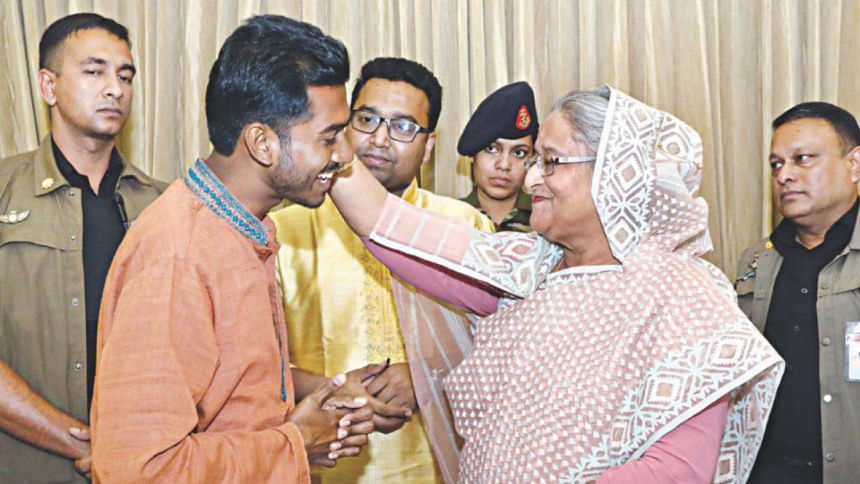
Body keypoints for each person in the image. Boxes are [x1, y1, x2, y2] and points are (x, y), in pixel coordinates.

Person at [328, 86, 784, 482]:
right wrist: (325, 139)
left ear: (612, 173)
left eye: (550, 162)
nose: (530, 180)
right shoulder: (529, 267)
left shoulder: (683, 297)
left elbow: (676, 471)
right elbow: (391, 227)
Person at [89, 16, 403, 481]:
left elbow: (230, 393)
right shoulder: (179, 256)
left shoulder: (237, 227)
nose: (344, 155)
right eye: (329, 137)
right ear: (262, 143)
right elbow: (139, 470)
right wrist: (296, 444)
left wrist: (321, 397)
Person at [272, 57, 493, 484]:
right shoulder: (286, 231)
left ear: (429, 145)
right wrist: (331, 387)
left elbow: (503, 353)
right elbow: (255, 370)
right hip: (323, 467)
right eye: (366, 120)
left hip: (440, 468)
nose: (379, 139)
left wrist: (428, 375)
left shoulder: (465, 227)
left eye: (403, 126)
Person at [0, 13, 166, 482]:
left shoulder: (165, 206)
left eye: (125, 76)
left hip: (144, 466)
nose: (115, 89)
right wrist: (81, 443)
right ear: (48, 85)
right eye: (95, 71)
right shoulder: (5, 191)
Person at [735, 102, 860, 484]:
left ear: (855, 164)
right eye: (776, 164)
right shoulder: (757, 259)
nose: (784, 175)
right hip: (765, 471)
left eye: (802, 159)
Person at [458, 81, 536, 232]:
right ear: (473, 155)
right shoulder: (450, 218)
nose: (504, 165)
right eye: (491, 149)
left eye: (519, 153)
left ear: (532, 159)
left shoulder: (549, 221)